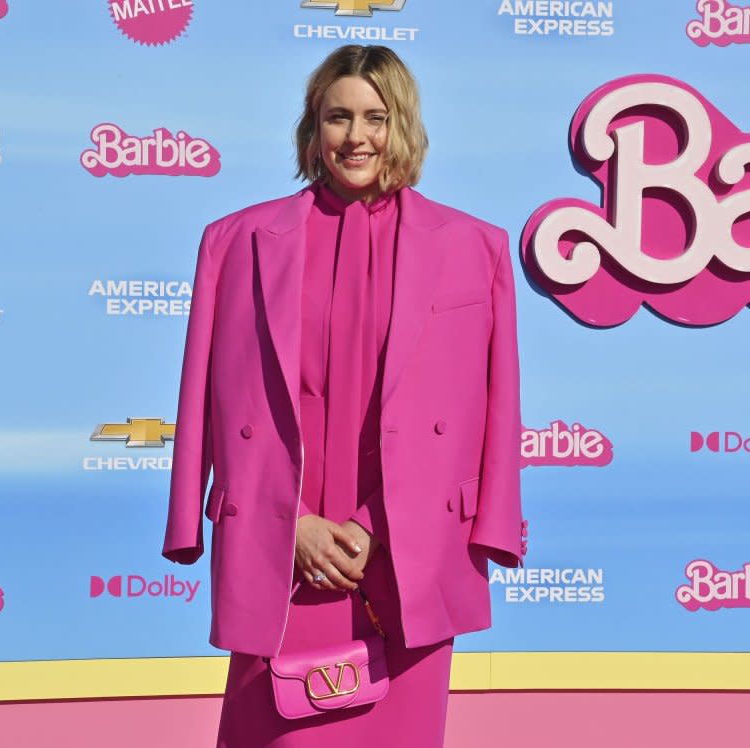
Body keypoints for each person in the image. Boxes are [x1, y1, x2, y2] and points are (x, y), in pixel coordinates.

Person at [162, 44, 527, 748]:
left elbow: (496, 404)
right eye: (337, 117)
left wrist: (385, 523)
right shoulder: (235, 243)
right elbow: (205, 396)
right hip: (280, 554)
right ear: (312, 129)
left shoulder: (475, 247)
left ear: (403, 127)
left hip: (408, 555)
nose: (355, 137)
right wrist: (283, 523)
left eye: (374, 117)